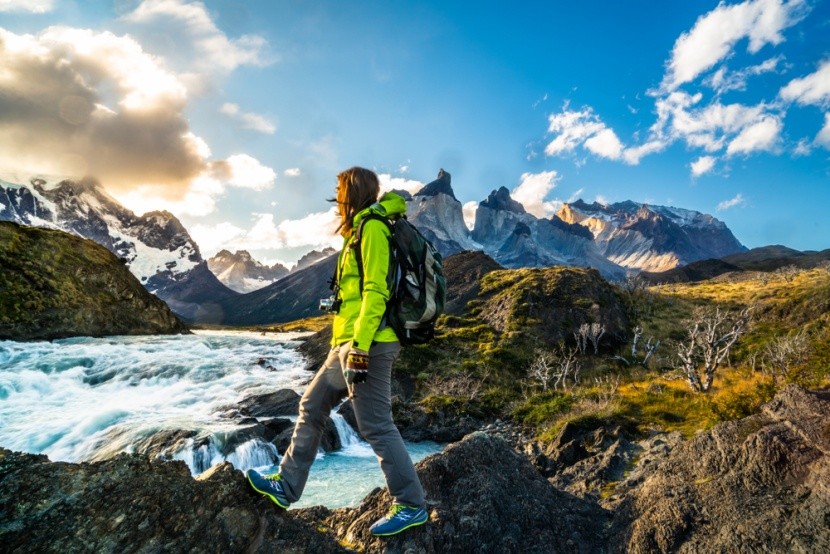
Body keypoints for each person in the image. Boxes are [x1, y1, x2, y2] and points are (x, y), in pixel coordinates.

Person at [246, 166, 428, 537]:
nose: (337, 199)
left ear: (353, 193)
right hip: (345, 344)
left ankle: (411, 505)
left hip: (369, 344)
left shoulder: (374, 229)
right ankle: (286, 485)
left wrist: (359, 348)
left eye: (340, 191)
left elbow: (376, 292)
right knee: (311, 407)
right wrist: (343, 344)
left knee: (376, 425)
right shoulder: (359, 230)